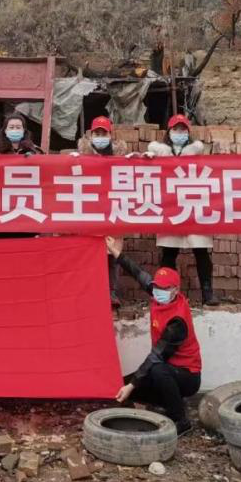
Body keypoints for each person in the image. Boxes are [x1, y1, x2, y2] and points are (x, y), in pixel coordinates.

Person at [109, 236, 200, 435]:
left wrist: (133, 384)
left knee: (154, 372)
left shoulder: (178, 321)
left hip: (187, 375)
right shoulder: (159, 294)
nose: (158, 291)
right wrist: (115, 252)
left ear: (175, 290)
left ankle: (181, 420)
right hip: (167, 370)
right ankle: (169, 402)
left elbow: (157, 356)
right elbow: (138, 273)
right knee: (124, 385)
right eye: (157, 287)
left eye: (164, 288)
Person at [147, 115, 219, 306]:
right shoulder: (159, 153)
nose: (180, 133)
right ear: (169, 132)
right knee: (169, 252)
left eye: (183, 130)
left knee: (201, 250)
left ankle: (207, 293)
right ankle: (165, 292)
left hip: (193, 205)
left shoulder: (197, 152)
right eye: (176, 130)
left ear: (188, 132)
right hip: (171, 206)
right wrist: (147, 160)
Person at [75, 116, 129, 308]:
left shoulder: (120, 157)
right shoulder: (81, 156)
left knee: (111, 254)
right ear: (91, 135)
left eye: (103, 133)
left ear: (110, 135)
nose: (100, 137)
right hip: (89, 210)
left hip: (112, 210)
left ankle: (112, 293)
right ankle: (90, 293)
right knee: (89, 255)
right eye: (96, 133)